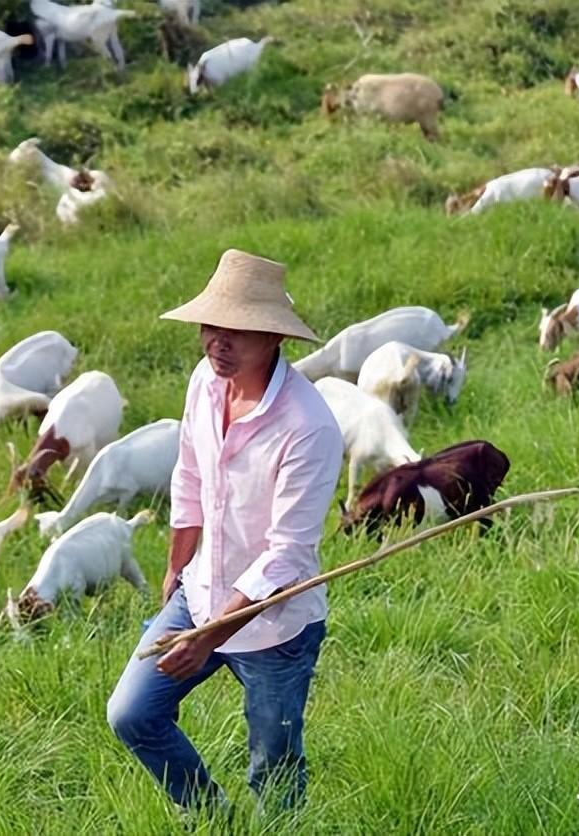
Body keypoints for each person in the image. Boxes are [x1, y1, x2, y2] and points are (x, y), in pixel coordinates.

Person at [106, 248, 344, 811]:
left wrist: (209, 636)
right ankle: (214, 818)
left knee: (274, 765)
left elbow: (286, 555)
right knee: (132, 714)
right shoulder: (204, 384)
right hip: (200, 591)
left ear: (274, 338)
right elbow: (188, 476)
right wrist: (175, 568)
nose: (219, 341)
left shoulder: (308, 426)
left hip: (276, 627)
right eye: (213, 326)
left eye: (238, 330)